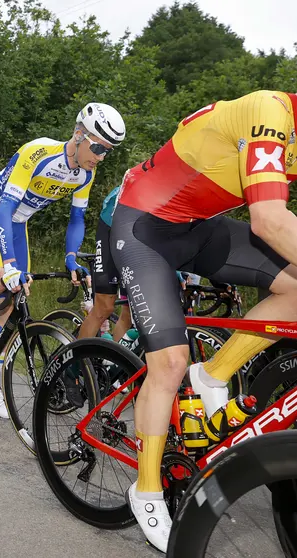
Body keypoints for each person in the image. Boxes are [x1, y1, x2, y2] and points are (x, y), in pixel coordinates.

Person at [109, 90, 297, 552]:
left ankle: (212, 374)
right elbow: (270, 220)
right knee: (168, 365)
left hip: (201, 227)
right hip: (144, 229)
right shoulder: (272, 114)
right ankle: (148, 488)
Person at [0, 103, 126, 418]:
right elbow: (4, 207)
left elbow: (77, 218)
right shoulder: (38, 153)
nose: (100, 156)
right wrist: (10, 264)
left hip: (17, 222)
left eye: (107, 151)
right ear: (78, 134)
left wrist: (70, 257)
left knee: (15, 300)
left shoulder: (86, 173)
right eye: (97, 146)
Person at [76, 185, 133, 341]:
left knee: (131, 311)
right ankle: (79, 360)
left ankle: (116, 362)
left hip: (137, 231)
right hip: (112, 224)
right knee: (104, 307)